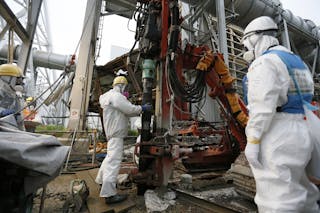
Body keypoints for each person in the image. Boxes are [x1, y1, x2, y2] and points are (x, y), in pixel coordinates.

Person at [242, 16, 320, 212]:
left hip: (279, 133)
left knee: (276, 199)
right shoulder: (296, 61)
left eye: (246, 43)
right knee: (305, 193)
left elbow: (262, 107)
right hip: (305, 128)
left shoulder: (264, 63)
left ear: (254, 38)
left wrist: (253, 141)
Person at [95, 75, 152, 204]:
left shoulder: (108, 97)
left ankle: (100, 181)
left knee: (109, 159)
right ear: (121, 86)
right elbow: (129, 109)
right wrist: (142, 108)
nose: (126, 91)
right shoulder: (116, 96)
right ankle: (109, 194)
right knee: (113, 163)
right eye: (126, 88)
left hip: (112, 135)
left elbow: (125, 111)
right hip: (116, 136)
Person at [0, 63, 25, 130]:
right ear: (7, 79)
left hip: (11, 132)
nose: (20, 83)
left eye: (21, 80)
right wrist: (1, 112)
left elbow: (20, 122)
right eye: (17, 80)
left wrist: (23, 133)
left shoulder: (16, 98)